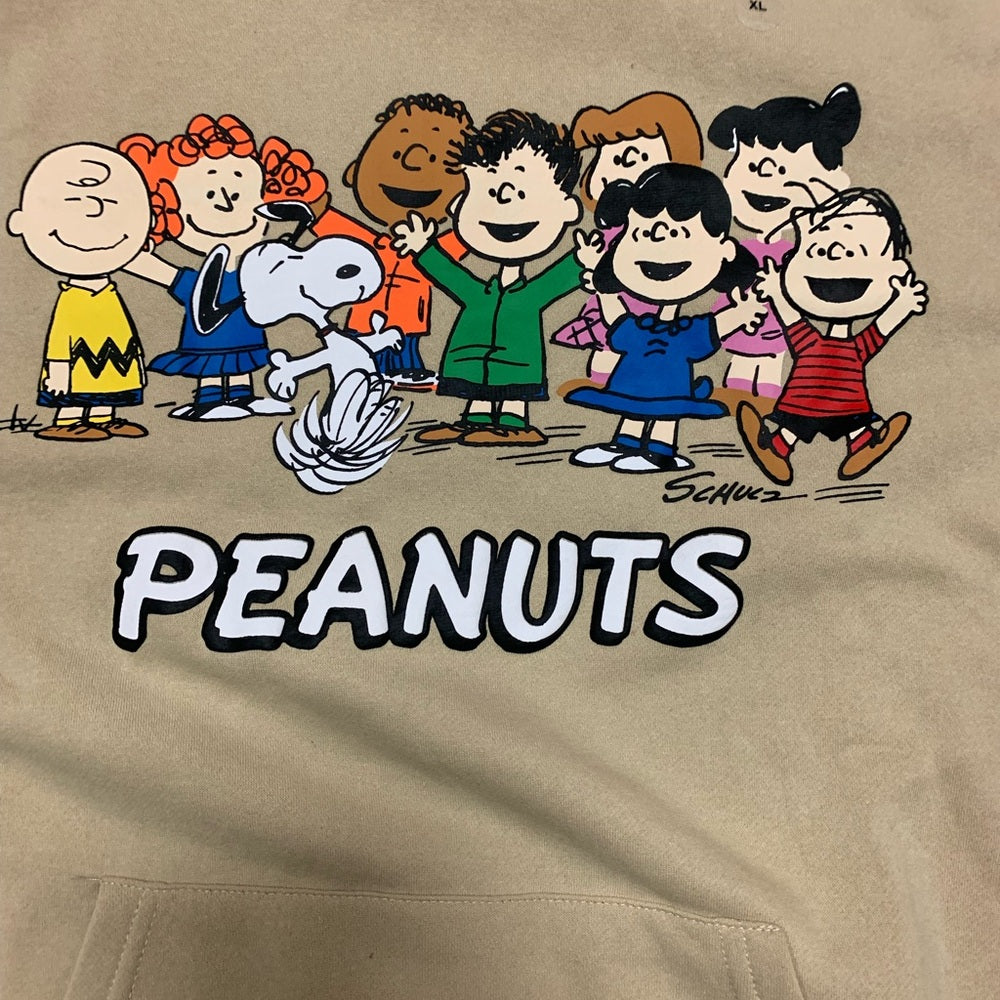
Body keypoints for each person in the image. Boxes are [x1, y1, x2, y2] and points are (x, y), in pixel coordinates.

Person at [391, 109, 585, 447]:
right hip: (469, 357)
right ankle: (474, 419)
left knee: (513, 391)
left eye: (522, 189)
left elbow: (554, 282)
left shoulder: (529, 296)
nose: (505, 198)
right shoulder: (479, 292)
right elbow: (452, 278)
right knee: (476, 391)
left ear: (567, 208)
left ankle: (515, 423)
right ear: (458, 206)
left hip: (518, 363)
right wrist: (424, 249)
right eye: (489, 188)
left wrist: (580, 262)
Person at [118, 114, 328, 420]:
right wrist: (120, 246)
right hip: (205, 342)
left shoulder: (254, 273)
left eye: (241, 193)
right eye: (208, 195)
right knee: (212, 371)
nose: (227, 203)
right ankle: (209, 399)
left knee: (242, 367)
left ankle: (243, 396)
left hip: (248, 338)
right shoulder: (200, 281)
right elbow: (156, 270)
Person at [564, 163, 767, 473]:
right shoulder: (639, 325)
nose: (659, 243)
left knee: (667, 411)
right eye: (641, 233)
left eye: (679, 233)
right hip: (632, 382)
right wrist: (603, 289)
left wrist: (741, 314)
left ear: (725, 251)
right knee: (632, 407)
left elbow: (714, 328)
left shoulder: (686, 330)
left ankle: (662, 451)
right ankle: (624, 443)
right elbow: (617, 323)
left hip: (672, 387)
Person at [737, 187, 928, 484]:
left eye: (856, 252)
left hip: (845, 403)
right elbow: (792, 318)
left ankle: (862, 445)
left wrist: (902, 305)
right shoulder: (813, 342)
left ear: (895, 270)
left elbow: (881, 328)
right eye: (817, 250)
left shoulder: (844, 346)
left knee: (847, 423)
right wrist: (775, 290)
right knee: (796, 425)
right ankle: (777, 448)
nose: (836, 254)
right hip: (804, 402)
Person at [707, 83, 861, 414]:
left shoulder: (799, 252)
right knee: (741, 365)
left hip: (780, 323)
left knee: (770, 366)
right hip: (742, 316)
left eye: (783, 170)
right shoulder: (742, 246)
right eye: (753, 167)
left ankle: (765, 410)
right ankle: (736, 404)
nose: (766, 178)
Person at [311, 93, 474, 391]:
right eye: (396, 155)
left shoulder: (430, 250)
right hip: (362, 318)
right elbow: (334, 226)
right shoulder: (368, 244)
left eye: (436, 160)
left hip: (408, 321)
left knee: (405, 358)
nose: (414, 162)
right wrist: (313, 205)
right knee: (360, 363)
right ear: (354, 171)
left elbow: (465, 237)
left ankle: (405, 375)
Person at [551, 92, 704, 396]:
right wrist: (592, 262)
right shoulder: (609, 230)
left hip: (649, 308)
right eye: (608, 157)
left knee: (648, 349)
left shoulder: (669, 230)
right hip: (610, 303)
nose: (619, 170)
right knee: (607, 346)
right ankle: (602, 386)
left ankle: (642, 388)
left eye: (641, 158)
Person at [7, 143, 153, 441]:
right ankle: (68, 419)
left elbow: (124, 330)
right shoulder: (72, 299)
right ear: (21, 223)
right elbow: (61, 337)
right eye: (74, 202)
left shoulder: (110, 293)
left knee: (108, 385)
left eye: (111, 204)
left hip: (116, 359)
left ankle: (104, 417)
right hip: (78, 363)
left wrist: (135, 359)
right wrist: (59, 369)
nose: (94, 210)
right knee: (78, 385)